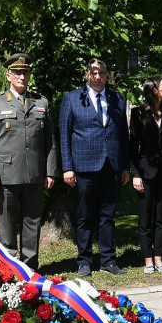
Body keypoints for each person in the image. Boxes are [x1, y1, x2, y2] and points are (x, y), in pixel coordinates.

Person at [0, 54, 58, 269]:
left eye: (25, 72)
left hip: (35, 174)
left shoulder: (41, 102)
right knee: (6, 226)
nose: (21, 76)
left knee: (32, 222)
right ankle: (9, 268)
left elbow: (49, 142)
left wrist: (50, 172)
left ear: (29, 75)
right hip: (6, 175)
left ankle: (30, 267)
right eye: (17, 72)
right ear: (8, 76)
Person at [59, 58, 131, 276]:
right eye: (94, 73)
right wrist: (67, 168)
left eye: (102, 73)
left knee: (108, 215)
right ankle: (84, 261)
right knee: (85, 216)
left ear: (107, 74)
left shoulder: (117, 98)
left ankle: (108, 260)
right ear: (87, 74)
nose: (98, 77)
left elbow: (123, 135)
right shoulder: (72, 99)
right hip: (84, 165)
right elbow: (64, 135)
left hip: (112, 165)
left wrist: (125, 166)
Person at [129, 77, 162, 274]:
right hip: (145, 171)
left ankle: (159, 258)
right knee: (145, 217)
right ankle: (148, 259)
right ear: (154, 91)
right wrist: (135, 173)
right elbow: (133, 145)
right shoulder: (138, 113)